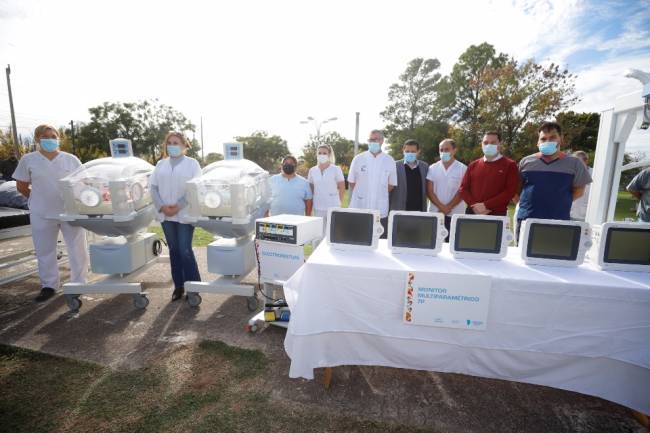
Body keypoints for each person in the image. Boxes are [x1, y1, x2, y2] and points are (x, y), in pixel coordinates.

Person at [12, 124, 88, 302]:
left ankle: (79, 282)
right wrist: (38, 198)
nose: (51, 140)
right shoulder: (29, 159)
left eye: (54, 136)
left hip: (70, 212)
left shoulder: (71, 159)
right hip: (41, 212)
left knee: (77, 249)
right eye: (46, 137)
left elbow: (84, 183)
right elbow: (21, 186)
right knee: (44, 250)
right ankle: (49, 285)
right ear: (37, 139)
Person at [150, 131, 202, 301]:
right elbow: (153, 188)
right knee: (173, 250)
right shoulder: (160, 165)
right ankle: (178, 286)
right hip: (166, 215)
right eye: (170, 143)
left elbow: (195, 188)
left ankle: (193, 287)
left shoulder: (192, 164)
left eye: (176, 143)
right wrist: (162, 207)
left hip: (184, 214)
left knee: (185, 250)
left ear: (184, 145)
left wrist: (178, 206)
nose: (172, 146)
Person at [517, 121, 592, 239]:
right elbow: (517, 191)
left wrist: (559, 202)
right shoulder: (526, 162)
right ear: (538, 142)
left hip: (559, 221)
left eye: (552, 137)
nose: (547, 141)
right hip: (527, 220)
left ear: (561, 139)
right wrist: (526, 207)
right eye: (543, 139)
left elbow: (579, 191)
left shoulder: (575, 163)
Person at [348, 130, 397, 238]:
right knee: (358, 239)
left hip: (380, 208)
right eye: (371, 139)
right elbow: (352, 182)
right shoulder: (358, 159)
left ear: (382, 141)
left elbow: (391, 184)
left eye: (376, 139)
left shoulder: (389, 160)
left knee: (379, 240)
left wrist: (378, 193)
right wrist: (363, 193)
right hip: (360, 206)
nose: (373, 142)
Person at [459, 131, 519, 217]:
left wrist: (485, 205)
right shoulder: (473, 165)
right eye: (486, 142)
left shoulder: (510, 165)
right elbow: (463, 189)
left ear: (500, 144)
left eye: (493, 142)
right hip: (472, 213)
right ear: (482, 144)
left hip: (497, 215)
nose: (489, 145)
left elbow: (510, 191)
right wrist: (474, 205)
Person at [426, 138, 467, 241]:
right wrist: (441, 208)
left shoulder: (463, 168)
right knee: (433, 243)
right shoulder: (432, 168)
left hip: (455, 213)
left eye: (447, 149)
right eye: (441, 150)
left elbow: (462, 191)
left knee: (453, 243)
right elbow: (430, 191)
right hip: (435, 212)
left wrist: (448, 208)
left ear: (454, 150)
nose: (444, 152)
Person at [308, 144, 345, 234]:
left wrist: (339, 202)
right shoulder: (312, 170)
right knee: (319, 233)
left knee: (333, 233)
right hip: (318, 206)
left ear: (329, 154)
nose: (322, 155)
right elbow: (311, 188)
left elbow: (342, 187)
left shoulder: (336, 169)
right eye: (319, 153)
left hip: (333, 206)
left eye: (324, 153)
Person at [389, 139, 428, 212]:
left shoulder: (425, 167)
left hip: (419, 210)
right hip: (399, 210)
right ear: (403, 151)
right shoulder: (394, 166)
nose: (410, 153)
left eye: (413, 151)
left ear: (418, 151)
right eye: (407, 151)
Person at [570, 150, 593, 221]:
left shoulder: (595, 174)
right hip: (570, 214)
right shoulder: (570, 173)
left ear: (586, 161)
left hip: (588, 216)